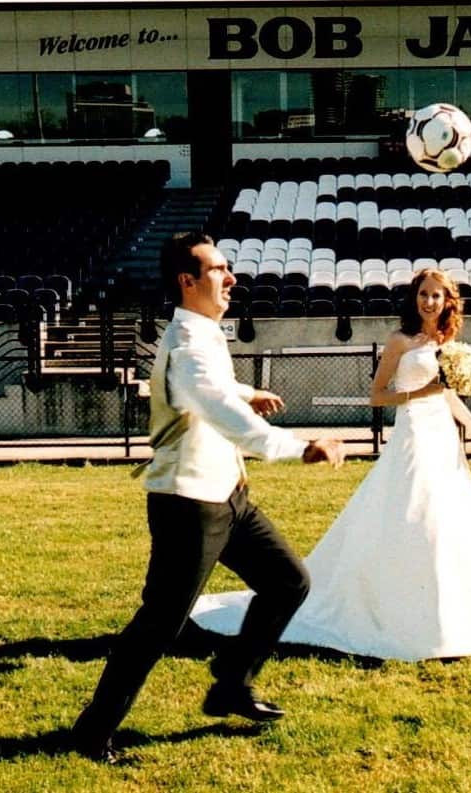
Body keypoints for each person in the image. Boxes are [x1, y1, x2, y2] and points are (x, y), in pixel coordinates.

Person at [71, 232, 345, 763]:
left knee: (289, 581)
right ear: (187, 281)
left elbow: (215, 389)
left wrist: (248, 392)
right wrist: (298, 448)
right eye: (219, 269)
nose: (231, 277)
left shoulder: (199, 335)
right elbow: (215, 403)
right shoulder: (191, 344)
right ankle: (93, 732)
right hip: (189, 504)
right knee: (159, 625)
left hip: (228, 495)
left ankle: (231, 686)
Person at [191, 268, 471, 661]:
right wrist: (424, 390)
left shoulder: (446, 340)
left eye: (437, 296)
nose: (429, 302)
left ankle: (457, 619)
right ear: (414, 297)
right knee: (412, 514)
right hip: (414, 435)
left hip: (443, 438)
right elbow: (378, 396)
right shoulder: (400, 340)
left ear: (448, 302)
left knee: (451, 520)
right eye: (423, 294)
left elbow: (448, 397)